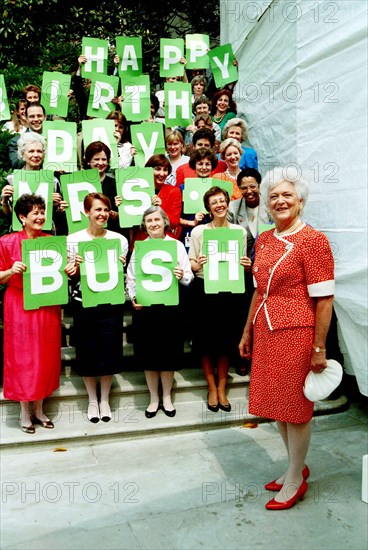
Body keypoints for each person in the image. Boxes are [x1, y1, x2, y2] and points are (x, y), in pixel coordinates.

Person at [238, 167, 335, 510]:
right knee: (277, 406)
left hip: (297, 334)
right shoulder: (263, 239)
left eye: (287, 195)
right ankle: (295, 465)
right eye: (274, 196)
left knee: (296, 410)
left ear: (301, 200)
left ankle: (295, 477)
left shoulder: (313, 240)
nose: (280, 201)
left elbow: (324, 299)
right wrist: (247, 329)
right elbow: (258, 291)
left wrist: (319, 347)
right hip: (266, 330)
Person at [0, 194, 73, 433]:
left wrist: (70, 268)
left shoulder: (51, 241)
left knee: (45, 355)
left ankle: (40, 409)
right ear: (22, 217)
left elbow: (62, 274)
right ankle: (24, 411)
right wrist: (11, 270)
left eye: (43, 213)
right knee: (22, 356)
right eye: (35, 213)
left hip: (47, 303)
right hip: (19, 303)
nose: (41, 217)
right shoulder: (7, 241)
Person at [126, 206, 194, 418]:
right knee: (149, 355)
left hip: (170, 309)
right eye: (149, 221)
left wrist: (181, 274)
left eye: (157, 219)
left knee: (168, 353)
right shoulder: (140, 248)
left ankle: (167, 397)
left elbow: (189, 277)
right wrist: (133, 297)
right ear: (144, 226)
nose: (153, 224)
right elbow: (131, 277)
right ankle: (153, 398)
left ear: (165, 222)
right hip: (147, 309)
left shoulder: (176, 246)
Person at [67, 193, 129, 423]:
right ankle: (92, 399)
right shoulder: (73, 240)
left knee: (109, 350)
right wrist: (72, 269)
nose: (102, 214)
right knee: (87, 350)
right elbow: (70, 275)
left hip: (110, 302)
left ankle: (105, 399)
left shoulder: (119, 240)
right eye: (97, 210)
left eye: (105, 210)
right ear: (86, 213)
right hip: (84, 302)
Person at [189, 186, 250, 412]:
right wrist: (199, 263)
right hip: (204, 290)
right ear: (208, 207)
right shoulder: (198, 232)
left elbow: (241, 265)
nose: (219, 204)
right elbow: (191, 264)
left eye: (222, 200)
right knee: (205, 342)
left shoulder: (239, 232)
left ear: (227, 202)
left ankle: (223, 387)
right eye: (214, 202)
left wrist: (246, 266)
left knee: (225, 342)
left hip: (230, 291)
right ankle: (211, 387)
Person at [1, 132, 68, 235]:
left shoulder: (53, 180)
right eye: (31, 151)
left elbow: (56, 215)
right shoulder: (12, 179)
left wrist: (58, 207)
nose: (36, 155)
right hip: (19, 233)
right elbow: (8, 215)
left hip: (46, 233)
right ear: (22, 154)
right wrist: (4, 201)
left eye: (39, 151)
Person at [124, 154, 183, 248]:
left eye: (165, 170)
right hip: (141, 242)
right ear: (149, 170)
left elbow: (175, 222)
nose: (162, 173)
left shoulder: (174, 191)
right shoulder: (136, 189)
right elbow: (128, 220)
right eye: (158, 169)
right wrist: (121, 205)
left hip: (164, 243)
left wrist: (161, 208)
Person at [8, 103, 46, 169]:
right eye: (32, 116)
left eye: (39, 116)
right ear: (26, 118)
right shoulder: (16, 141)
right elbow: (16, 165)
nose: (36, 119)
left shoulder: (55, 139)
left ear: (44, 117)